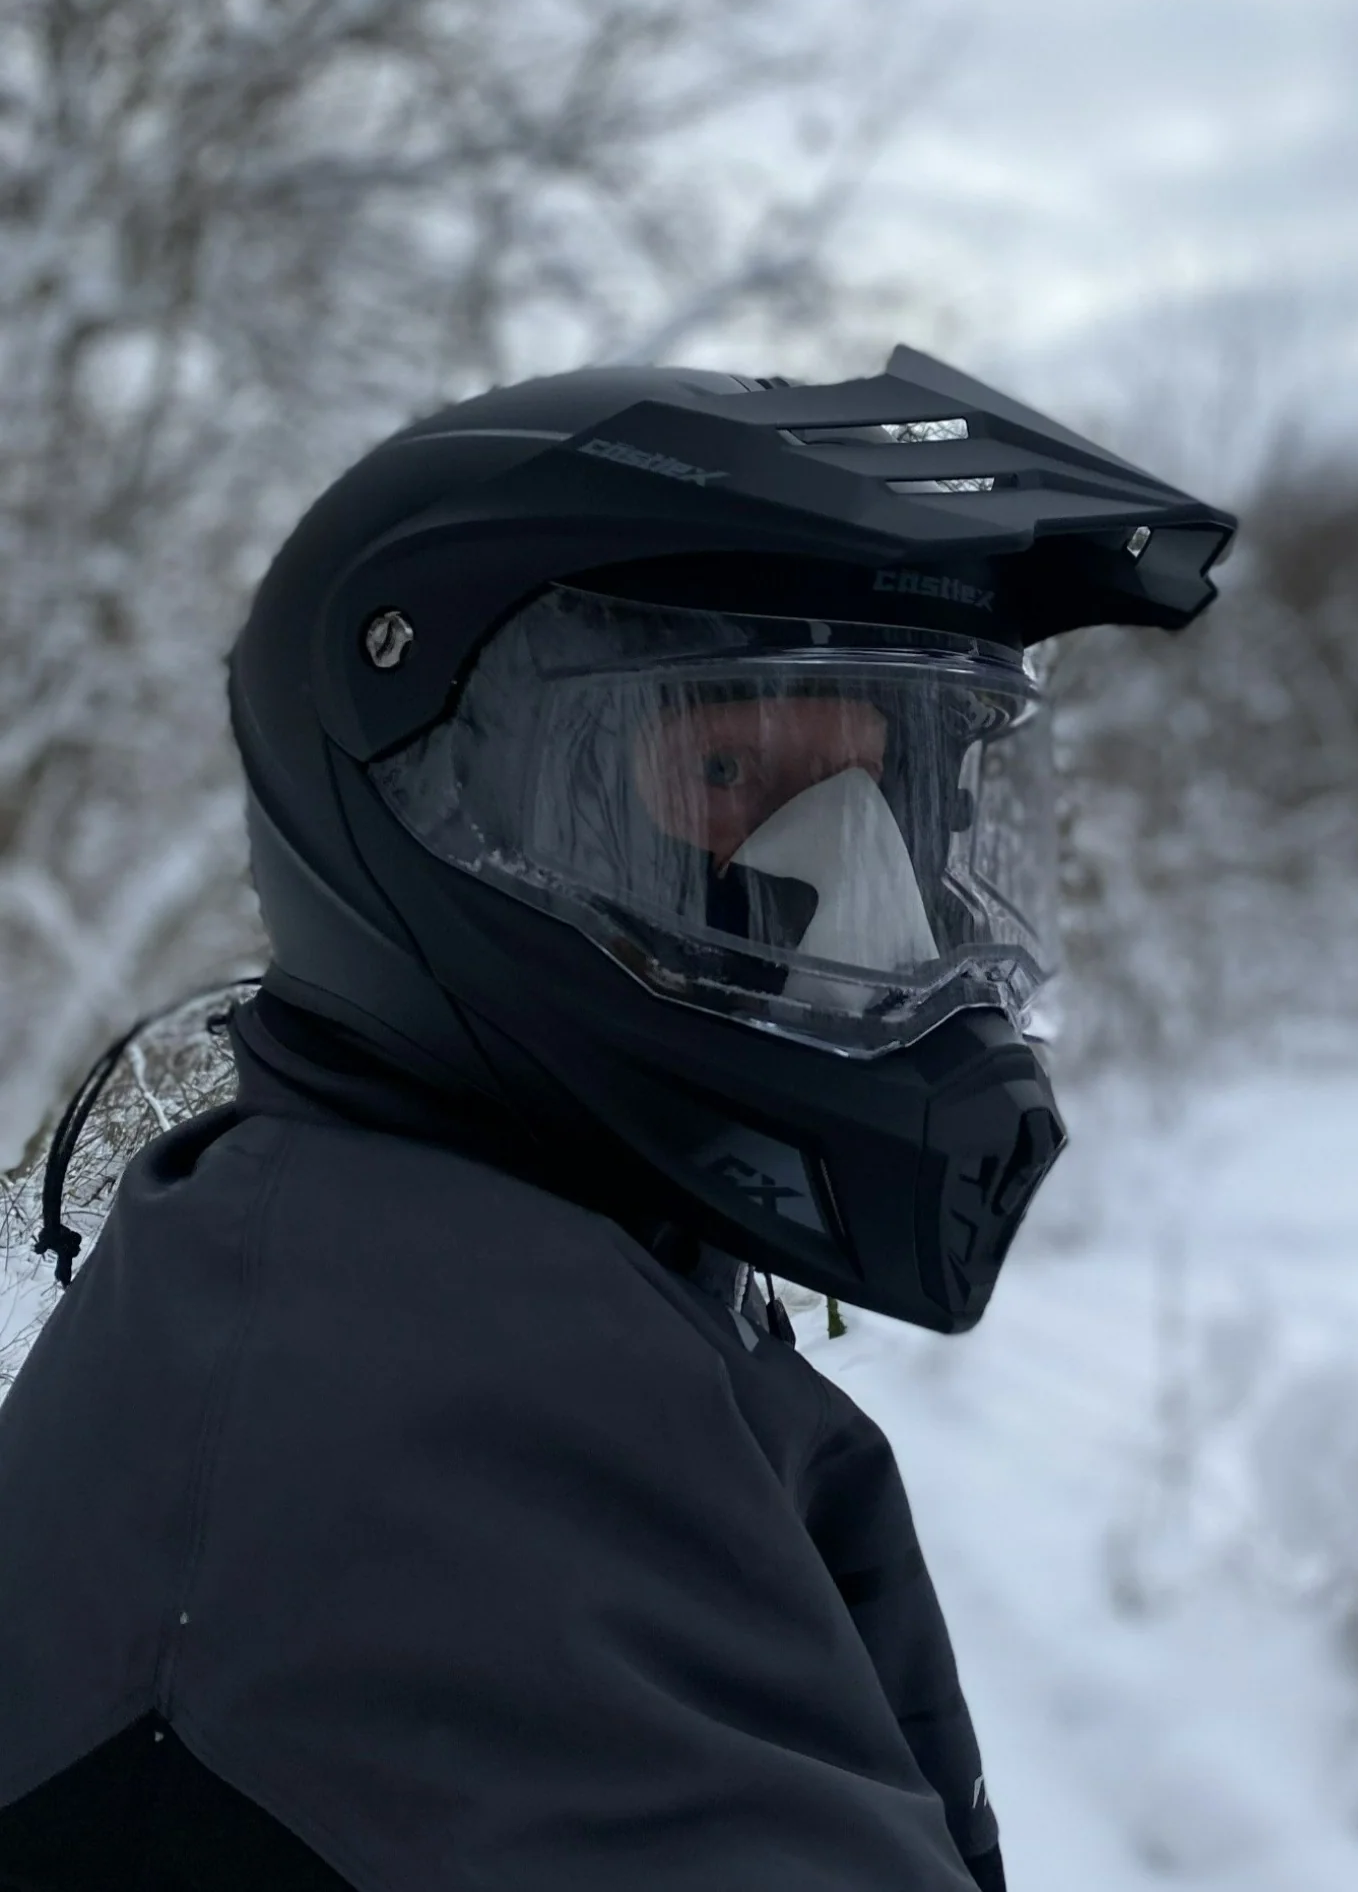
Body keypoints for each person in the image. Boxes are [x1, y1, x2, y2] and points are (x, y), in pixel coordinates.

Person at [0, 348, 1234, 1890]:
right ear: (431, 801)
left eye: (891, 798)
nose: (859, 900)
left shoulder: (410, 1265)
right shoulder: (440, 1446)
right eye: (725, 770)